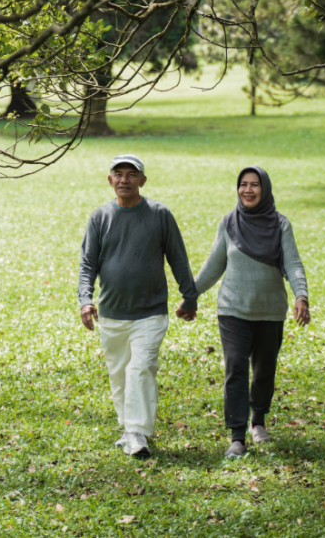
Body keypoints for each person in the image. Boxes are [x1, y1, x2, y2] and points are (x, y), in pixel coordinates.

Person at [79, 154, 199, 458]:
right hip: (112, 313)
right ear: (109, 180)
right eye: (118, 174)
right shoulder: (100, 217)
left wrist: (190, 296)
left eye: (132, 174)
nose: (124, 180)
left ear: (142, 180)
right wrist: (85, 299)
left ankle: (137, 432)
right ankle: (128, 428)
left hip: (150, 312)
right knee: (119, 375)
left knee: (140, 369)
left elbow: (178, 258)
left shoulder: (159, 214)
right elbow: (88, 263)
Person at [188, 166, 310, 459]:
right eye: (243, 184)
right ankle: (237, 436)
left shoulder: (281, 225)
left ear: (264, 189)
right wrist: (190, 295)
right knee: (236, 369)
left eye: (255, 185)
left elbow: (292, 263)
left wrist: (301, 295)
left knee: (264, 370)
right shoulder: (229, 222)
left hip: (270, 310)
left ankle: (258, 421)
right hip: (232, 309)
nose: (248, 190)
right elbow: (215, 264)